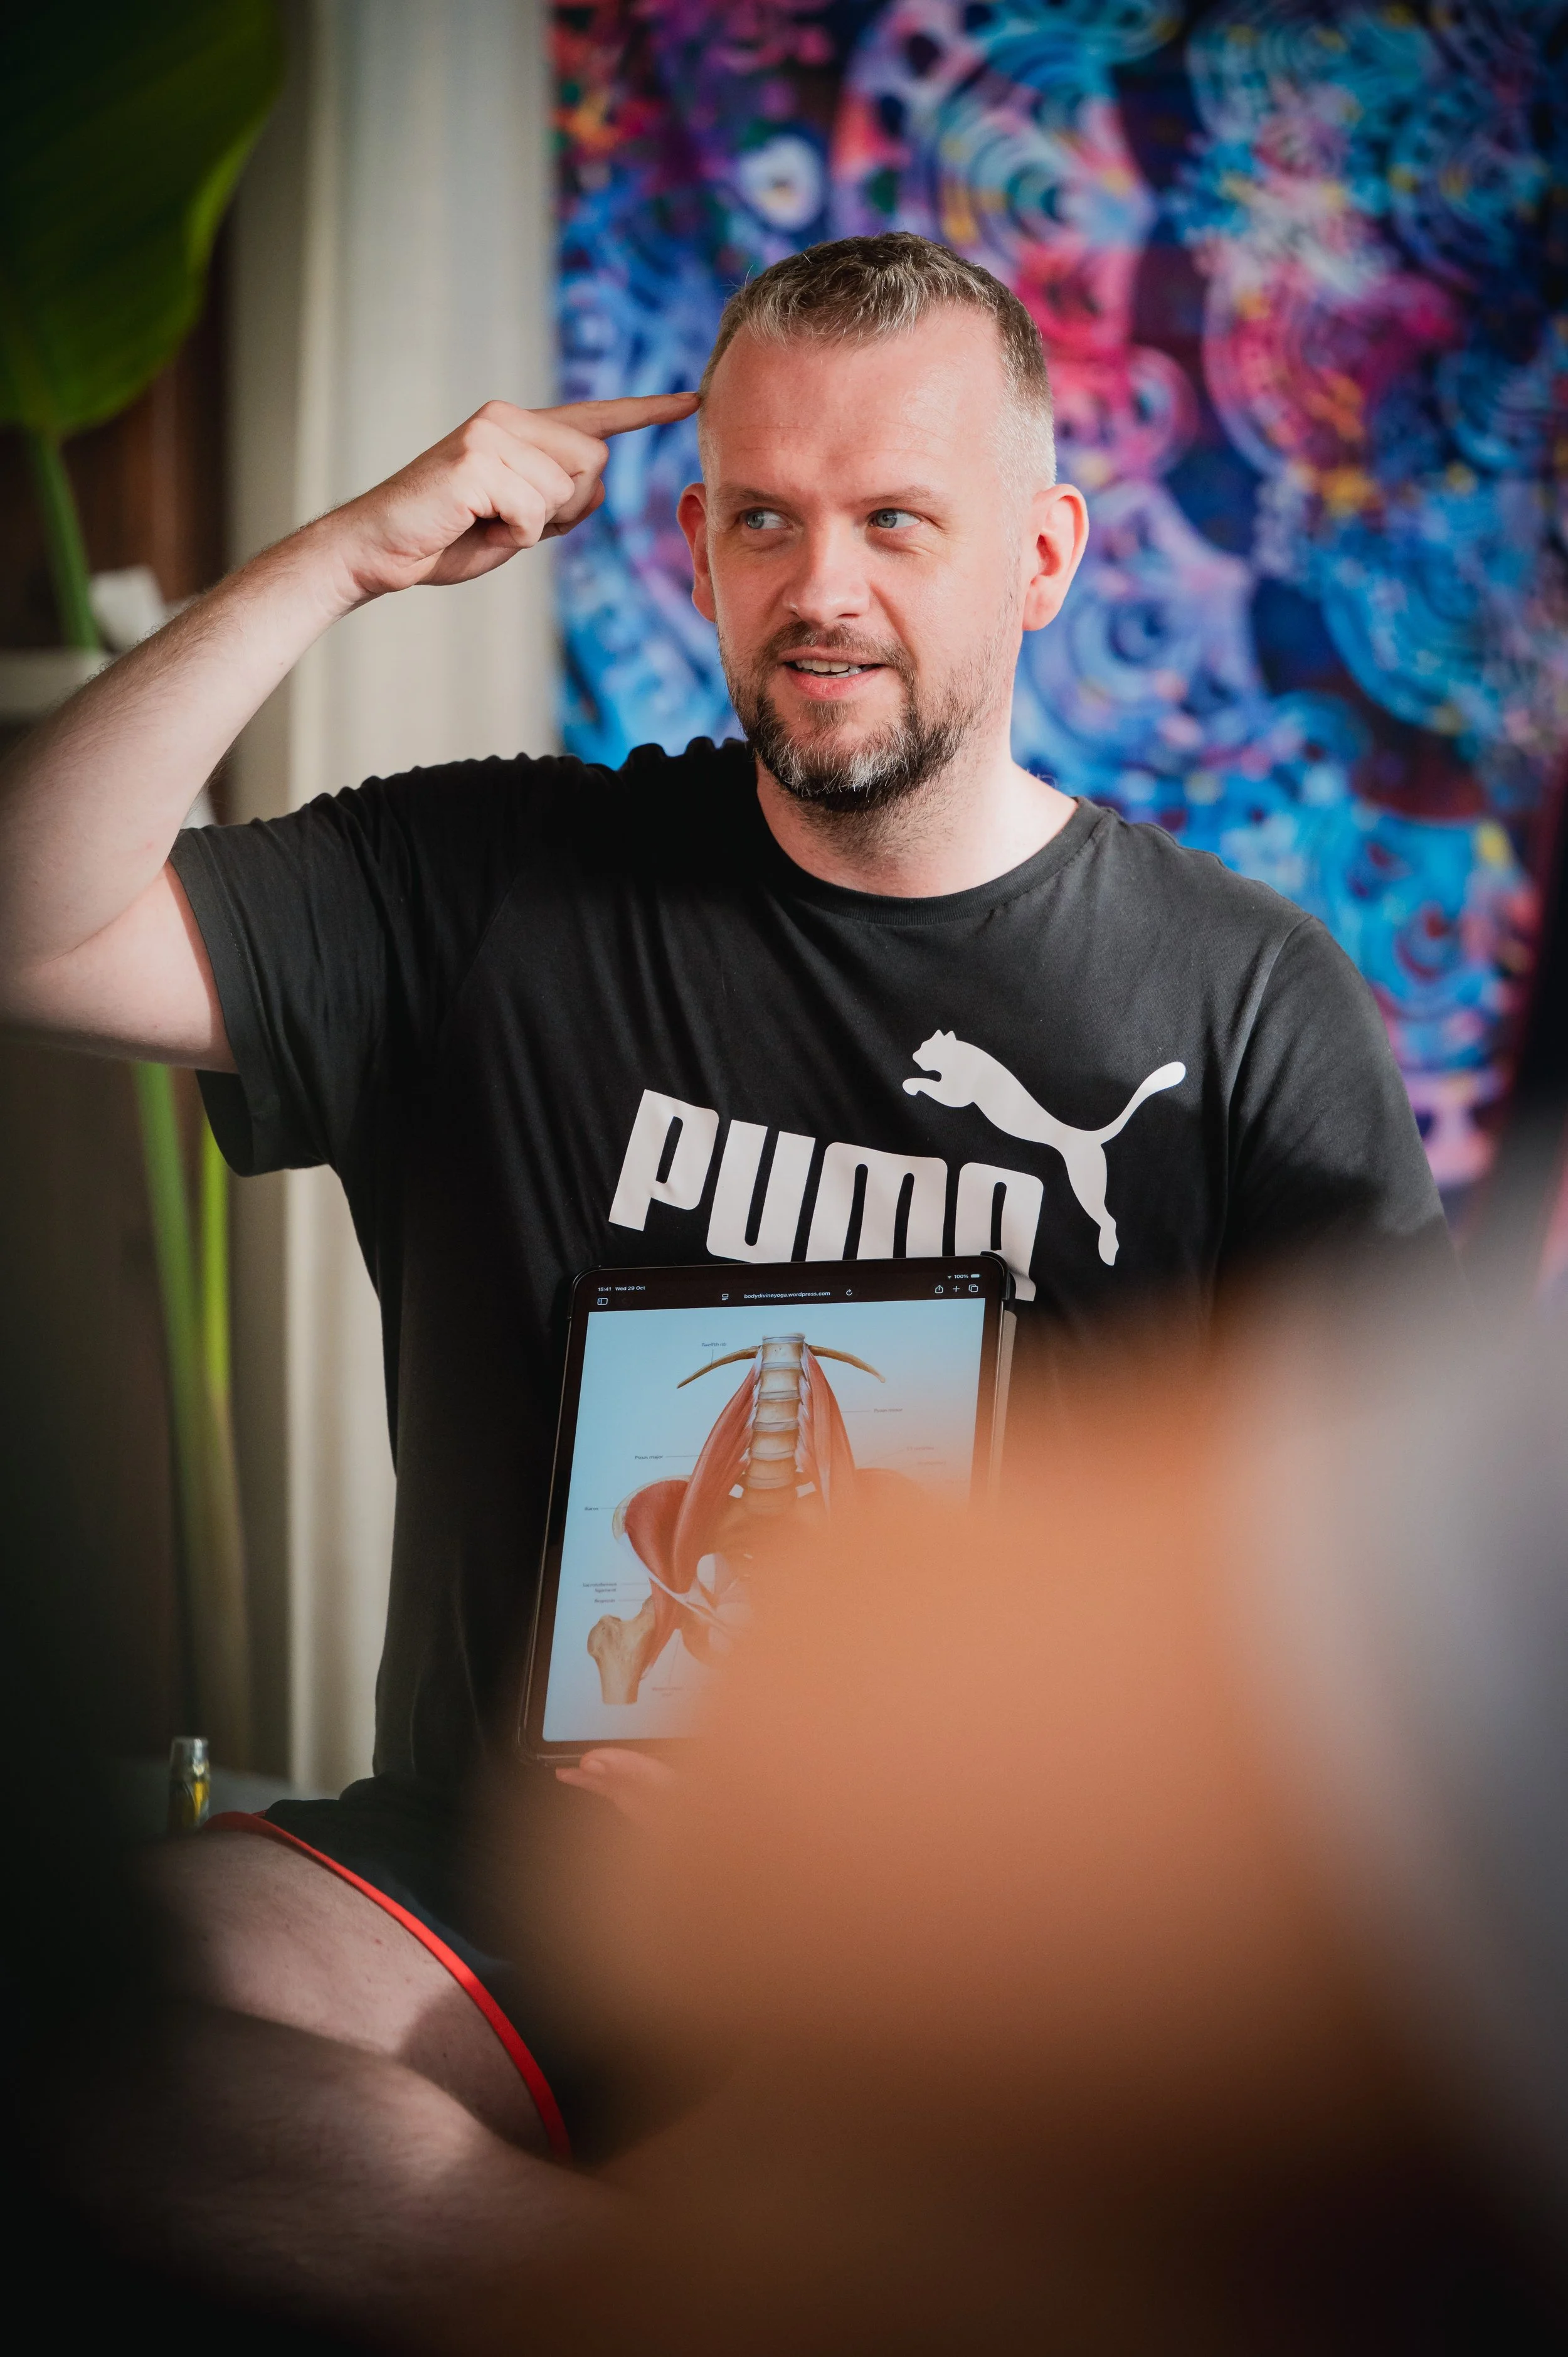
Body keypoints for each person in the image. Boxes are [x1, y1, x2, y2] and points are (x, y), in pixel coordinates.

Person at [0, 233, 1448, 2336]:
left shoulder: (1242, 1005)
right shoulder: (492, 889)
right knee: (77, 2028)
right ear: (689, 542)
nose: (820, 586)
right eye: (760, 517)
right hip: (506, 1895)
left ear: (1040, 554)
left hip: (992, 1948)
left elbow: (1387, 1630)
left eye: (894, 521)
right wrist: (337, 562)